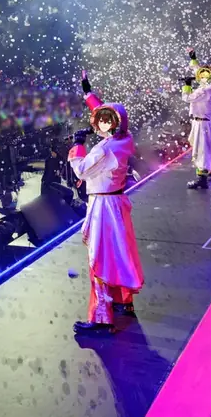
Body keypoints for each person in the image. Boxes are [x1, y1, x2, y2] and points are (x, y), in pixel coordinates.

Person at [69, 72, 144, 335]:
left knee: (99, 259)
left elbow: (81, 170)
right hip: (117, 203)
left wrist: (77, 146)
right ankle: (124, 301)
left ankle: (101, 317)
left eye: (105, 120)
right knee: (118, 255)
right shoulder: (125, 139)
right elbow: (110, 113)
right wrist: (88, 94)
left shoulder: (104, 149)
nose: (100, 123)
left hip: (102, 207)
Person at [182, 49, 211, 189]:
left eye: (205, 76)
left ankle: (202, 178)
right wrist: (194, 60)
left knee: (201, 151)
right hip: (202, 123)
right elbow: (199, 72)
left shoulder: (204, 90)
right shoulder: (209, 87)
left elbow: (187, 98)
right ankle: (208, 173)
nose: (202, 77)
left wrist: (187, 86)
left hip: (202, 124)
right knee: (206, 149)